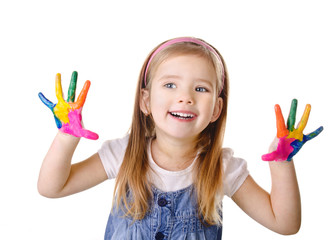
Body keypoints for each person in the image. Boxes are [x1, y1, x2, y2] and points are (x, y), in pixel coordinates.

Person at [38, 37, 322, 239]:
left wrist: (282, 164)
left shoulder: (222, 167)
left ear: (216, 109)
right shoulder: (124, 154)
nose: (185, 97)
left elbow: (285, 224)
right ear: (145, 101)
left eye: (201, 89)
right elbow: (52, 187)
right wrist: (66, 138)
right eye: (170, 84)